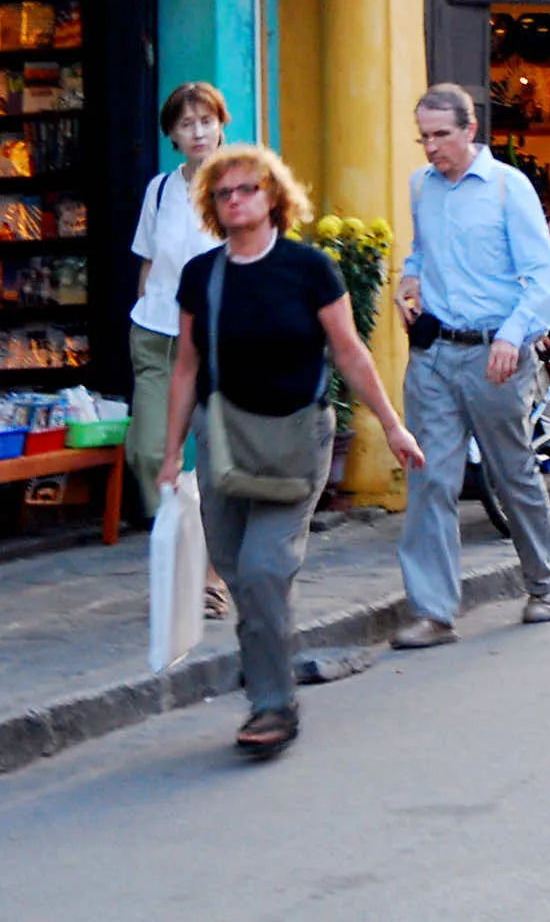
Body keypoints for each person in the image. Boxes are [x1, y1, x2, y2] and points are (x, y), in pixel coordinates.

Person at [157, 145, 421, 759]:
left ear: (274, 195)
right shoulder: (203, 276)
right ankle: (269, 666)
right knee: (243, 574)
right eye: (223, 194)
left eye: (247, 189)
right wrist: (171, 454)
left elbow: (350, 352)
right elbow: (186, 368)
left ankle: (272, 706)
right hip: (223, 442)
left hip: (297, 440)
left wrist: (392, 426)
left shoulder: (309, 269)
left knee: (265, 570)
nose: (235, 201)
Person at [390, 82, 550, 650]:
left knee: (511, 472)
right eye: (424, 137)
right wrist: (409, 279)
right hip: (435, 353)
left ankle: (545, 581)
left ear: (470, 130)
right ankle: (433, 612)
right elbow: (422, 250)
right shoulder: (421, 186)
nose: (432, 147)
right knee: (429, 480)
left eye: (442, 135)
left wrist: (513, 336)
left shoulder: (508, 187)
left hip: (496, 352)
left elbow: (541, 275)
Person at [127, 82, 230, 617]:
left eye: (206, 121)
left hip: (217, 340)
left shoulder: (238, 185)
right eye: (186, 124)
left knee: (216, 462)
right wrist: (143, 307)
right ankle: (179, 554)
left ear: (221, 125)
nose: (198, 133)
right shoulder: (161, 190)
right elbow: (148, 260)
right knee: (148, 452)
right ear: (171, 134)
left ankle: (210, 576)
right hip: (157, 333)